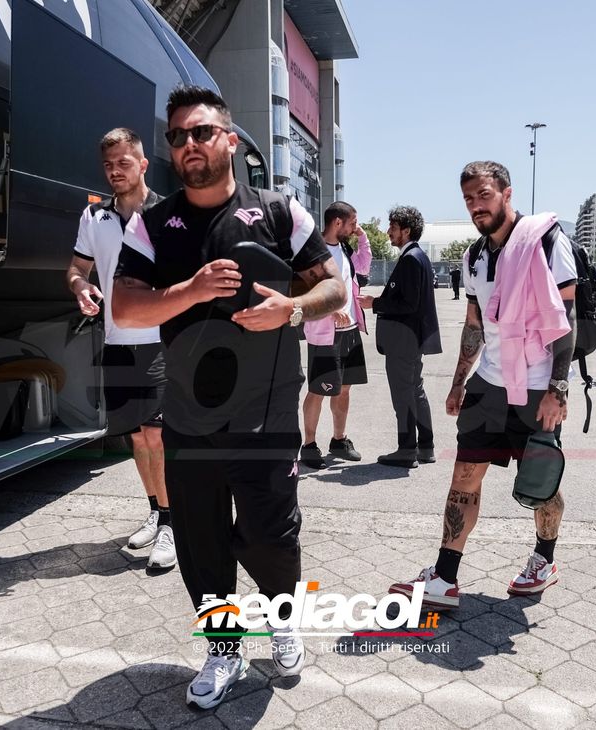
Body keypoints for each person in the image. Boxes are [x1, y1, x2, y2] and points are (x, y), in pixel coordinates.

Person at [111, 85, 344, 709]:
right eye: (177, 136)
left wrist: (291, 309)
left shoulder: (279, 212)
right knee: (201, 543)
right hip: (190, 414)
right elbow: (125, 308)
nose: (188, 144)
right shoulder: (152, 225)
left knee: (271, 537)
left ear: (231, 141)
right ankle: (224, 649)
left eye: (202, 132)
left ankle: (283, 621)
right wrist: (190, 290)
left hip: (265, 412)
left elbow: (335, 290)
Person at [388, 160, 576, 608]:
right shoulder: (475, 256)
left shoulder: (547, 241)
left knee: (541, 482)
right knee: (464, 477)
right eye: (469, 198)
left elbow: (567, 319)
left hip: (537, 387)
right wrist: (459, 382)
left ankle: (544, 559)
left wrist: (558, 389)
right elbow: (474, 326)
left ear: (507, 194)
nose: (476, 205)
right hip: (489, 384)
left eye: (484, 195)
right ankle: (445, 577)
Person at [65, 128, 175, 570]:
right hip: (115, 342)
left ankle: (172, 523)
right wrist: (80, 287)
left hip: (159, 343)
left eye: (123, 163)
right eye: (108, 165)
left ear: (143, 164)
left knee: (158, 436)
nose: (115, 172)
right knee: (136, 436)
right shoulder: (94, 217)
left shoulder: (168, 214)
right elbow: (77, 267)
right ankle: (156, 511)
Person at [358, 205, 441, 468]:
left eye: (393, 227)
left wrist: (375, 303)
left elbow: (408, 304)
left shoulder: (411, 259)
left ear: (406, 231)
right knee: (415, 391)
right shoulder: (418, 256)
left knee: (403, 395)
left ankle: (406, 450)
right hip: (411, 339)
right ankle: (425, 447)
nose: (388, 232)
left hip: (403, 340)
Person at [299, 201, 371, 469]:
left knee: (344, 389)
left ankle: (339, 440)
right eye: (353, 223)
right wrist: (330, 310)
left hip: (350, 331)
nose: (355, 227)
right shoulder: (312, 251)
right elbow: (303, 292)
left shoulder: (345, 248)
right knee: (318, 390)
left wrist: (363, 239)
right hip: (324, 335)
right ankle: (309, 446)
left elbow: (363, 268)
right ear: (337, 222)